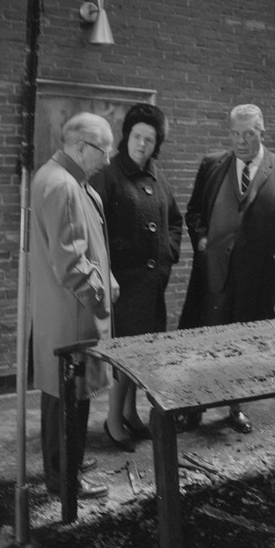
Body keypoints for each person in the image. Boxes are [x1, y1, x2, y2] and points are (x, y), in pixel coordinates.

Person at [178, 103, 275, 433]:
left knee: (242, 347)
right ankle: (194, 407)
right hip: (214, 274)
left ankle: (235, 407)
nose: (241, 141)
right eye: (235, 133)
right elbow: (193, 213)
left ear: (263, 131)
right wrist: (201, 239)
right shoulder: (212, 165)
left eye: (248, 133)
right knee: (203, 344)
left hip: (258, 279)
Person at [30, 112, 118, 496]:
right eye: (104, 150)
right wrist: (100, 291)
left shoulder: (64, 179)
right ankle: (64, 481)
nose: (109, 159)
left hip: (66, 311)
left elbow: (85, 248)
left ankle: (67, 462)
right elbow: (70, 264)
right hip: (74, 312)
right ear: (82, 147)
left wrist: (106, 275)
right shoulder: (65, 185)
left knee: (66, 396)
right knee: (68, 397)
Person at [92, 103, 183, 448]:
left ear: (156, 143)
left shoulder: (157, 175)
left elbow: (175, 220)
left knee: (140, 354)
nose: (142, 144)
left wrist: (168, 251)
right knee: (124, 355)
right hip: (123, 285)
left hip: (152, 284)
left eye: (150, 138)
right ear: (126, 136)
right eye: (137, 136)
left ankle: (130, 414)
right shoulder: (109, 175)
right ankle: (114, 420)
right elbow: (95, 228)